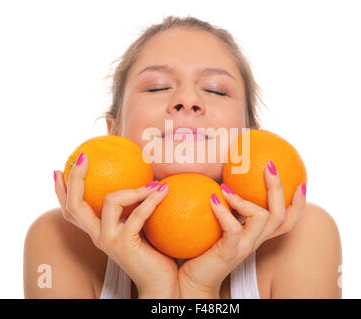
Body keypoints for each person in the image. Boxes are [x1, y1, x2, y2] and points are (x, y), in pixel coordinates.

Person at [23, 16, 342, 299]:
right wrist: (157, 290)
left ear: (250, 135)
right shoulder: (60, 239)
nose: (187, 100)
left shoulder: (304, 237)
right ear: (114, 132)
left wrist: (199, 290)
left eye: (216, 90)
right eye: (157, 87)